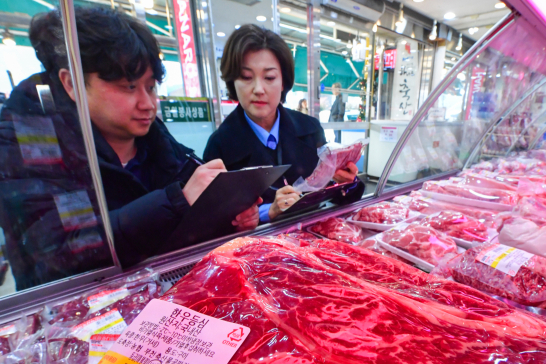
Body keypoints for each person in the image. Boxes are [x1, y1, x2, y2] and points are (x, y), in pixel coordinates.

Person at [0, 7, 259, 290]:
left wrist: (229, 217)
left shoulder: (156, 142)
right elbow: (62, 251)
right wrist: (177, 201)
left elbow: (180, 236)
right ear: (72, 83)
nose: (147, 103)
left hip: (160, 299)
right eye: (129, 86)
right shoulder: (31, 147)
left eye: (151, 87)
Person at [204, 25, 363, 222]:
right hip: (255, 250)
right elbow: (212, 222)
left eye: (269, 77)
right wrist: (267, 212)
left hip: (314, 241)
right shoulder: (220, 146)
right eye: (246, 77)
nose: (258, 89)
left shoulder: (310, 129)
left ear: (283, 82)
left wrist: (348, 182)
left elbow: (337, 198)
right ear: (232, 83)